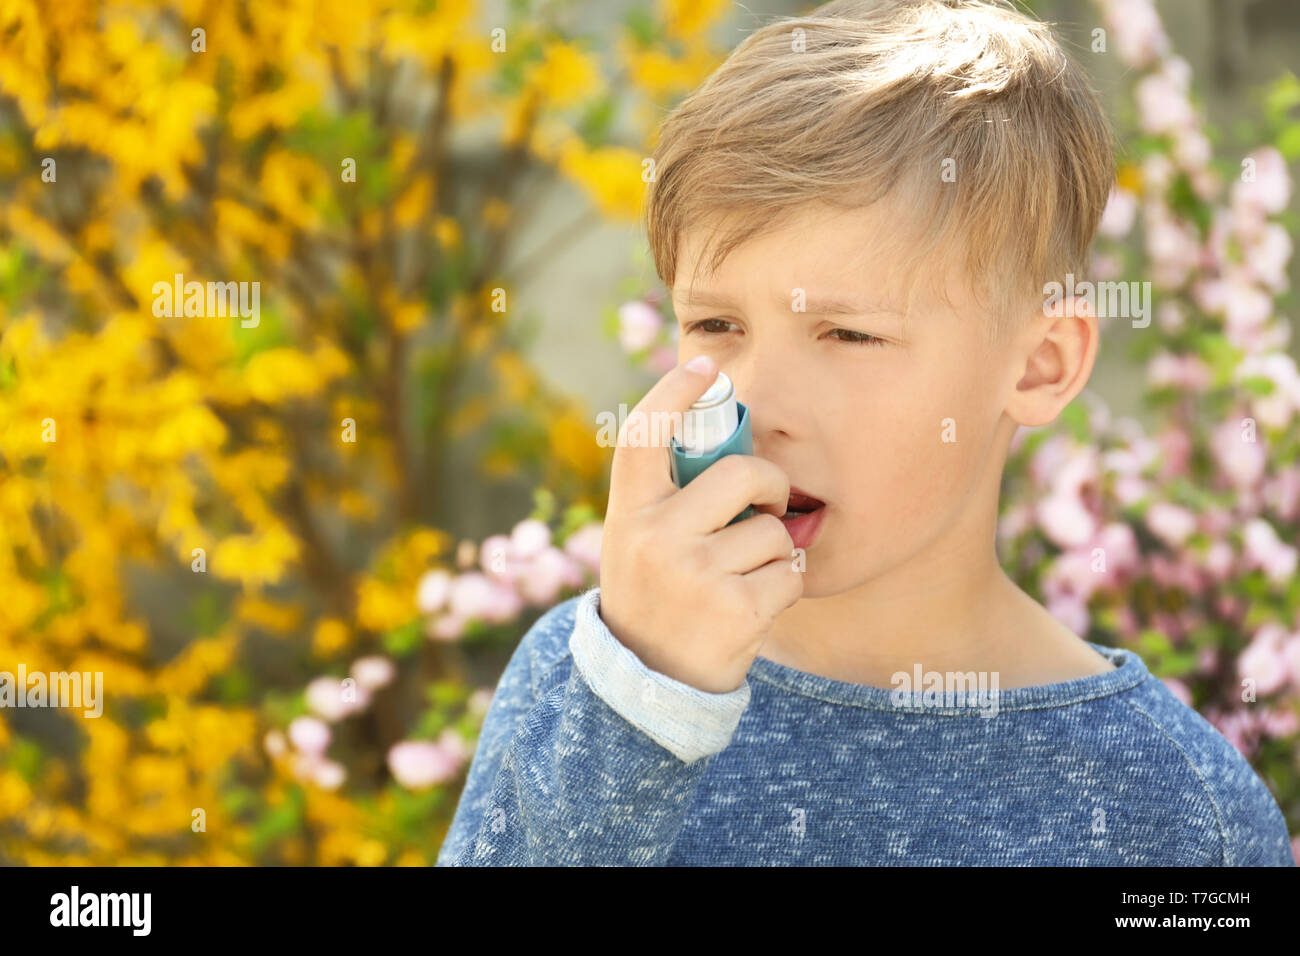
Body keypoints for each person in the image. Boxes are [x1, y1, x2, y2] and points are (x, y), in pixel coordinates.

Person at [436, 0, 1294, 865]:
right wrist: (641, 712)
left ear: (1039, 366)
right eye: (716, 326)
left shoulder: (1179, 810)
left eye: (850, 335)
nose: (755, 402)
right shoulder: (585, 687)